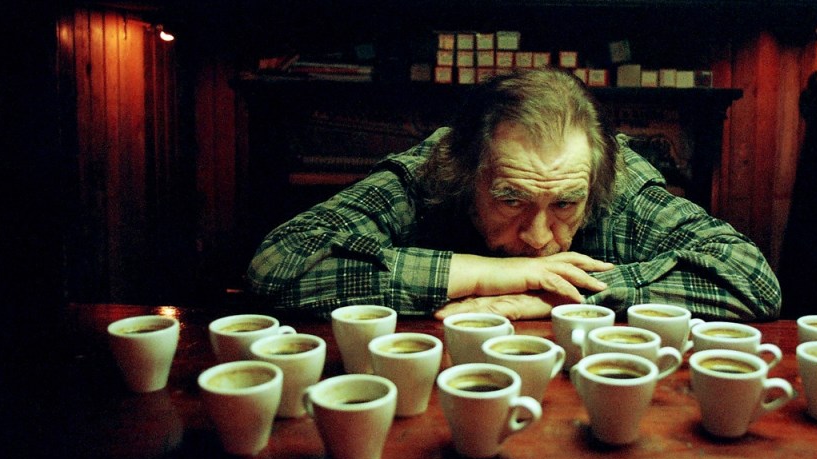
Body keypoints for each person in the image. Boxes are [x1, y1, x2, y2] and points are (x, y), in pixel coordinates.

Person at [247, 68, 781, 321]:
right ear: (465, 174)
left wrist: (561, 295)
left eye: (564, 204)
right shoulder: (432, 171)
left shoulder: (611, 181)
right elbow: (275, 265)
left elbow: (752, 280)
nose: (539, 237)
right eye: (511, 200)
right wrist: (487, 274)